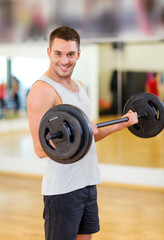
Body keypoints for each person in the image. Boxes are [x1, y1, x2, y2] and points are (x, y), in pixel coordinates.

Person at [27, 26, 138, 240]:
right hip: (62, 189)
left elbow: (89, 138)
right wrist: (79, 134)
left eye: (70, 54)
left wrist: (123, 123)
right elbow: (40, 149)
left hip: (87, 182)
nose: (64, 60)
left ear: (78, 54)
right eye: (58, 53)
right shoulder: (42, 90)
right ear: (49, 52)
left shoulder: (80, 86)